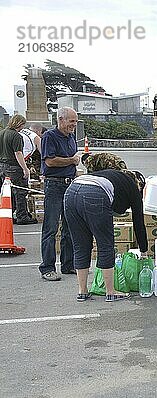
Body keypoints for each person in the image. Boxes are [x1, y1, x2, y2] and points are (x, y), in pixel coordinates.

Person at [64, 169, 148, 302]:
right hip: (95, 194)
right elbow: (138, 222)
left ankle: (82, 291)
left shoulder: (112, 175)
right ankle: (110, 291)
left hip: (71, 191)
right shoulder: (132, 187)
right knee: (105, 244)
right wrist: (143, 251)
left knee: (80, 245)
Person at [39, 107, 80, 281]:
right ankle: (47, 267)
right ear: (61, 120)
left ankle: (68, 264)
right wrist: (71, 160)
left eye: (76, 122)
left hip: (69, 184)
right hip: (54, 186)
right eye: (72, 121)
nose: (74, 125)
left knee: (69, 227)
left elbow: (74, 162)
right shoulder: (49, 137)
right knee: (51, 227)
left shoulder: (71, 138)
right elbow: (50, 161)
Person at [0, 114, 36, 224]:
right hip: (14, 167)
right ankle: (22, 216)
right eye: (23, 125)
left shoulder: (2, 133)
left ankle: (9, 214)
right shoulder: (16, 136)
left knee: (8, 192)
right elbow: (18, 153)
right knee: (20, 192)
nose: (23, 128)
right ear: (20, 123)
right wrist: (25, 169)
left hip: (2, 166)